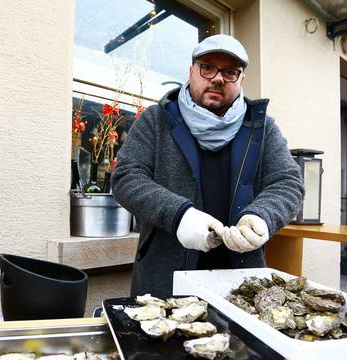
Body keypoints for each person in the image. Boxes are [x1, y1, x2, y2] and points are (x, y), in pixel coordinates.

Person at [111, 34, 304, 298]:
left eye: (230, 72)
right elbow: (126, 177)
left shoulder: (263, 129)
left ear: (241, 80)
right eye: (207, 67)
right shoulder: (156, 120)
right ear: (191, 72)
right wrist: (178, 214)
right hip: (164, 280)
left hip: (243, 285)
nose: (217, 78)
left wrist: (262, 215)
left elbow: (288, 182)